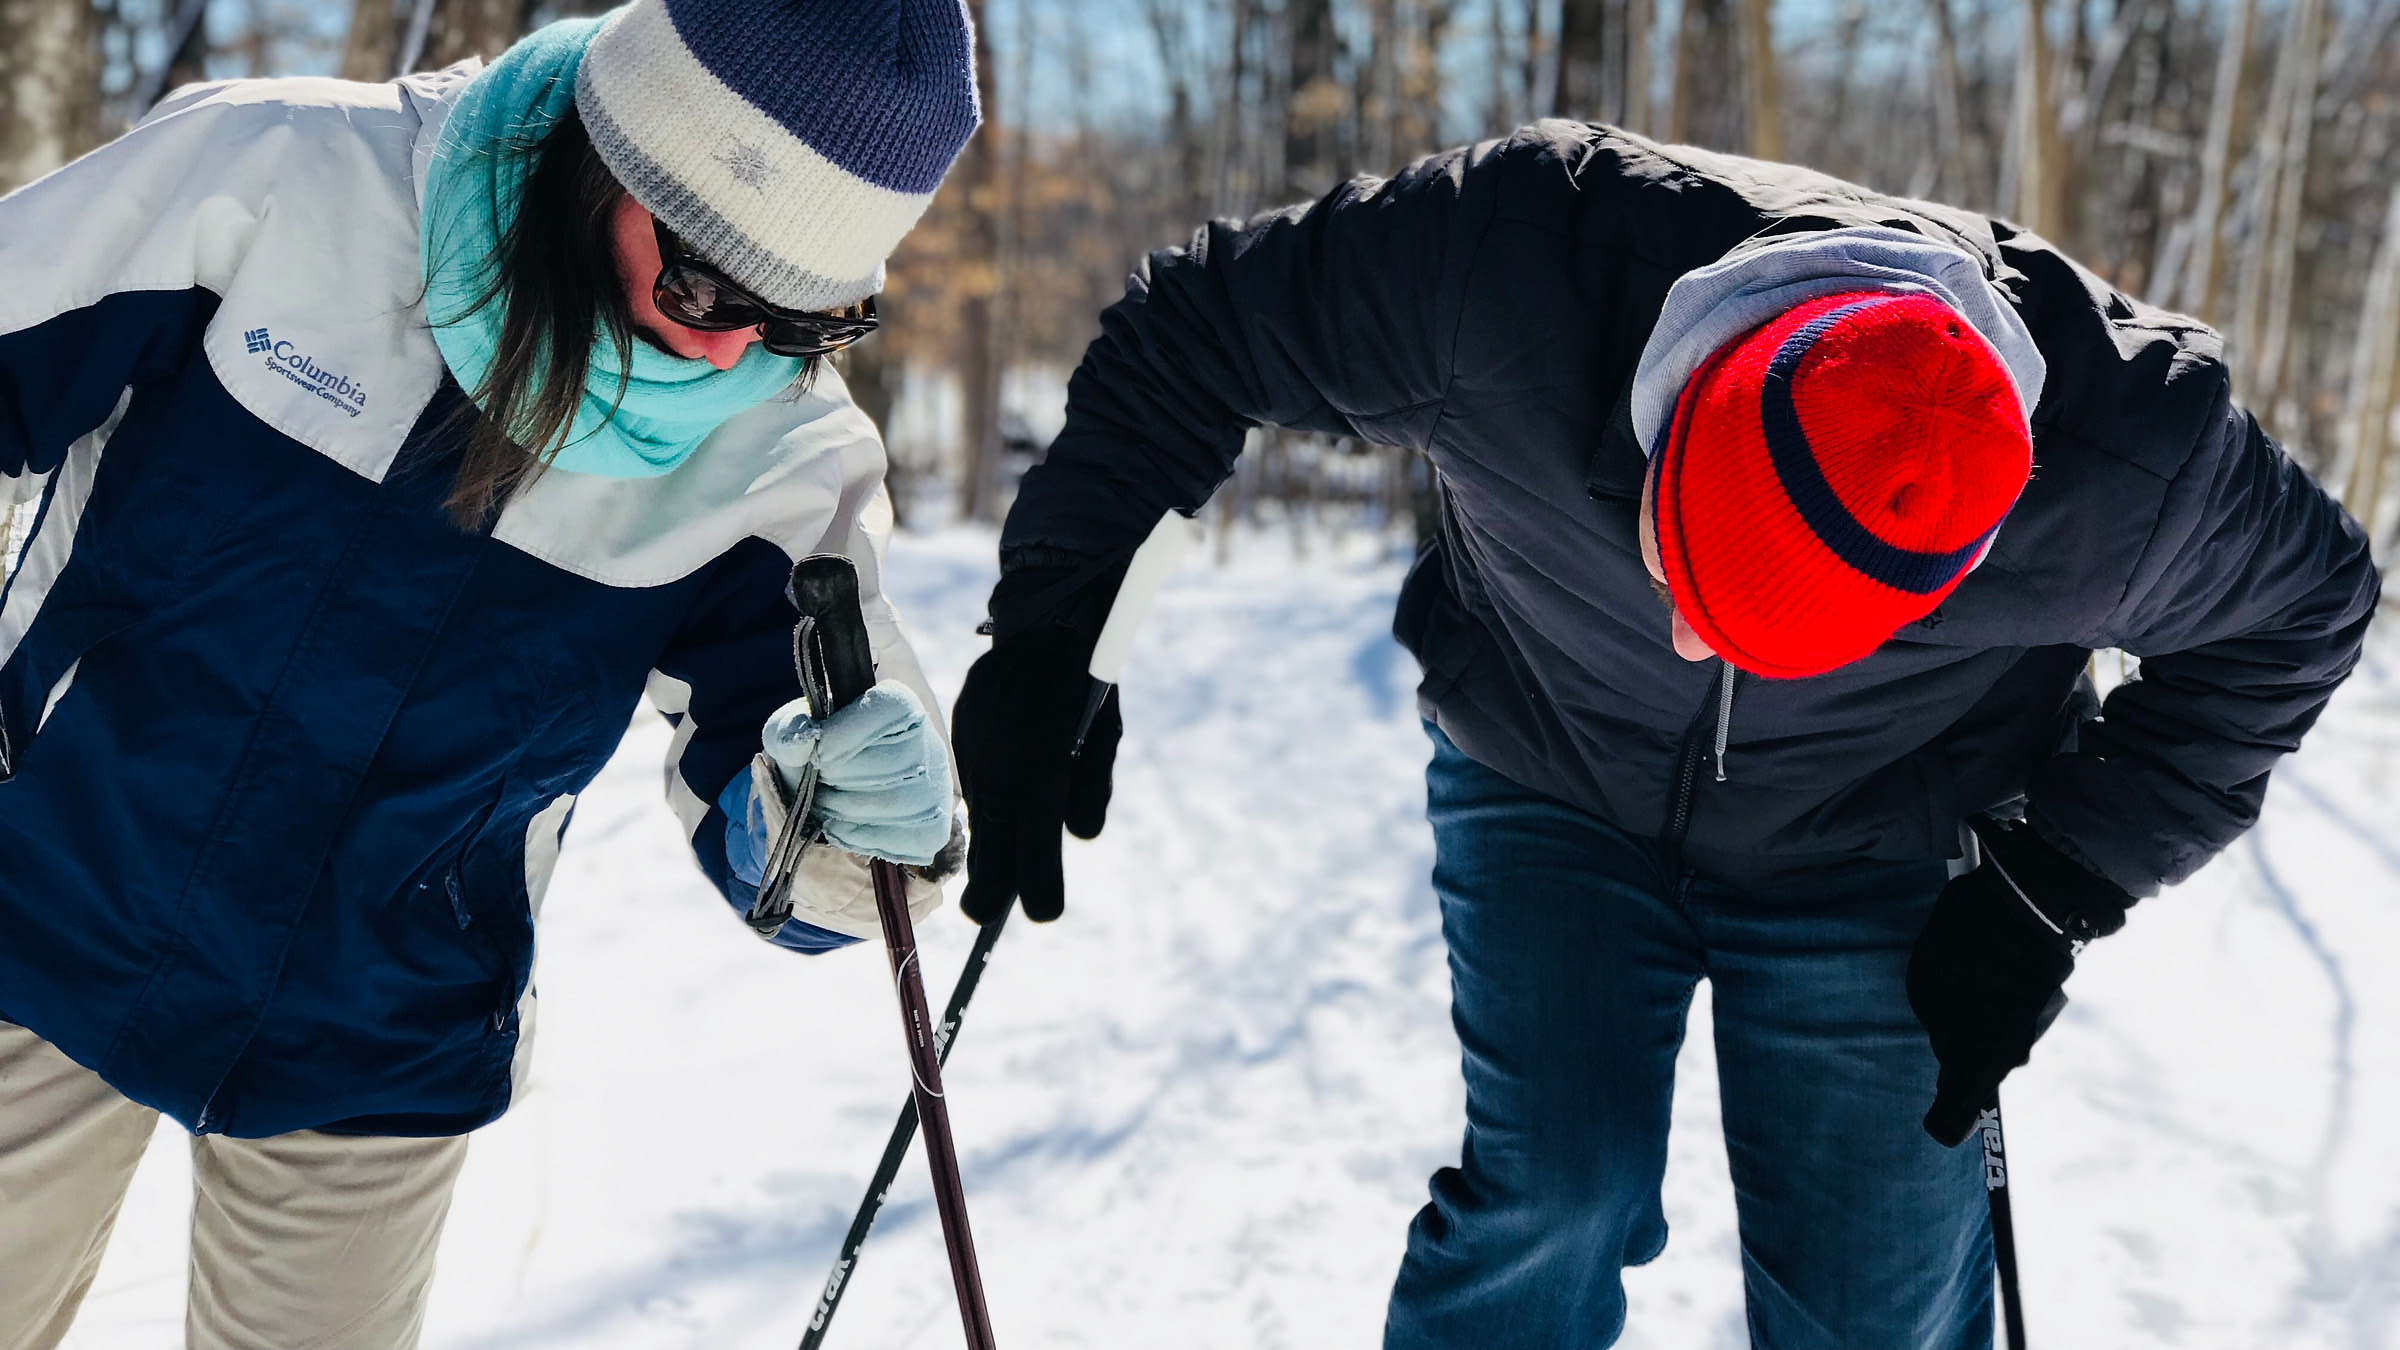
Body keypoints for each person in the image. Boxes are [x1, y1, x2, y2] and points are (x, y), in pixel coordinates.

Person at [948, 121, 2380, 1348]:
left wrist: (2051, 880)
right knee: (1555, 1190)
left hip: (1884, 831)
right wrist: (1054, 629)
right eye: (1685, 573)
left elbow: (2304, 612)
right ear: (1683, 399)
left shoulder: (2130, 464)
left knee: (1869, 1295)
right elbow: (1194, 333)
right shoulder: (1506, 262)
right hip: (1549, 762)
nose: (1700, 638)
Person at [0, 3, 977, 1346]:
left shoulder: (780, 453)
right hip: (41, 905)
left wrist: (857, 818)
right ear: (605, 154)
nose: (722, 352)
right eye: (697, 283)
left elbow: (795, 838)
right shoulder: (283, 178)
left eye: (801, 314)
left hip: (382, 1027)